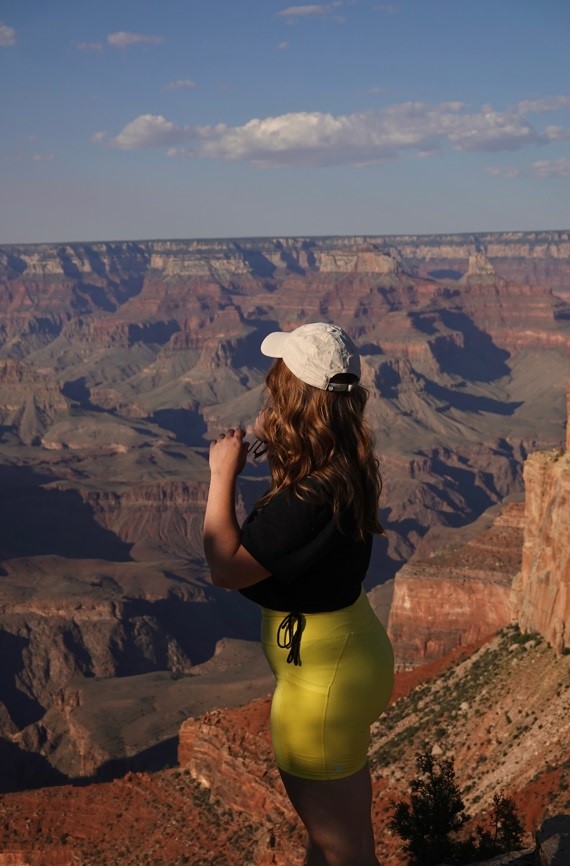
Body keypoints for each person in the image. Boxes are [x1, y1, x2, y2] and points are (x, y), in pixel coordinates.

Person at [203, 322, 394, 866]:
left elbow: (225, 567)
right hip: (352, 656)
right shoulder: (347, 465)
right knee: (346, 841)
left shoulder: (310, 495)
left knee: (341, 853)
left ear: (292, 398)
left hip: (318, 691)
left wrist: (222, 476)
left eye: (278, 383)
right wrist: (281, 438)